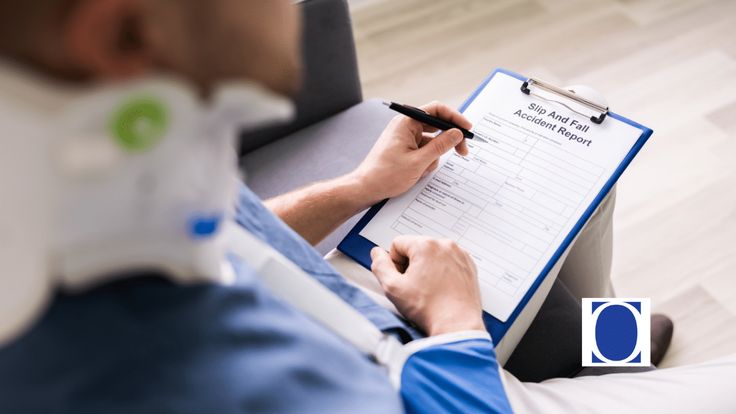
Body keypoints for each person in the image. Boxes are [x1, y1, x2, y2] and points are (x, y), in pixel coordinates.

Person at [0, 1, 734, 413]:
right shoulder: (191, 381)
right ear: (124, 30)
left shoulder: (93, 162)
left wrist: (359, 189)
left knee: (583, 166)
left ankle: (597, 347)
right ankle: (596, 357)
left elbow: (232, 246)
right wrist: (455, 325)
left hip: (383, 331)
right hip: (453, 389)